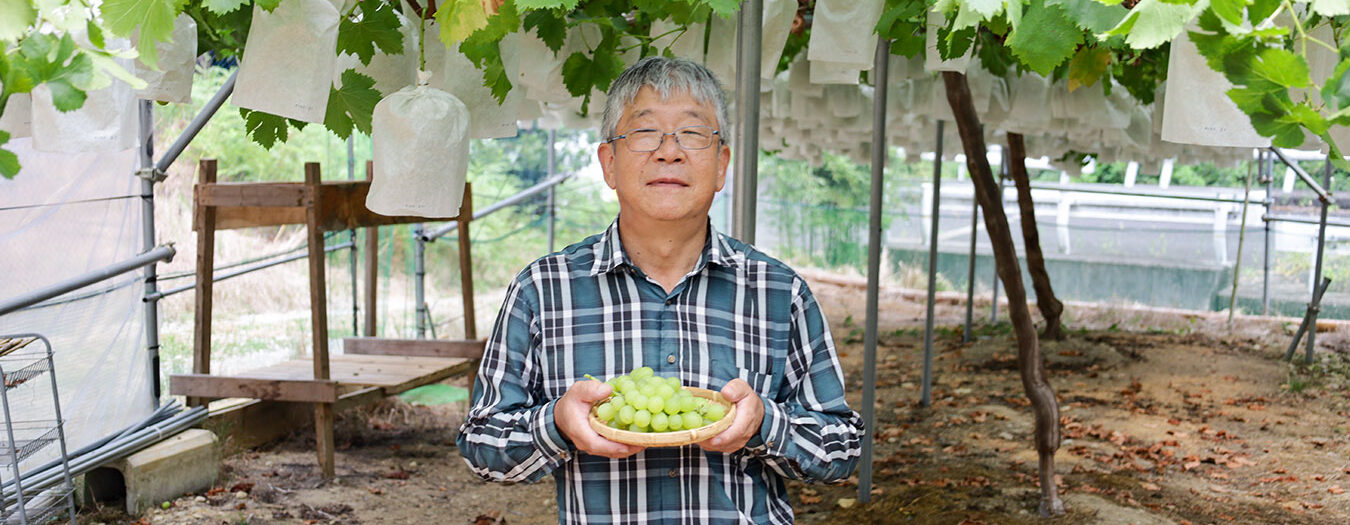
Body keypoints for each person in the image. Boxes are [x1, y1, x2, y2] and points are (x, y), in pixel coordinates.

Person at [457, 56, 864, 524]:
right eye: (644, 132)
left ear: (721, 165)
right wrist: (557, 424)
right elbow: (481, 442)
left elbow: (843, 447)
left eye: (692, 134)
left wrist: (765, 423)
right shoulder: (544, 290)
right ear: (609, 163)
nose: (669, 152)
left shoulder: (778, 291)